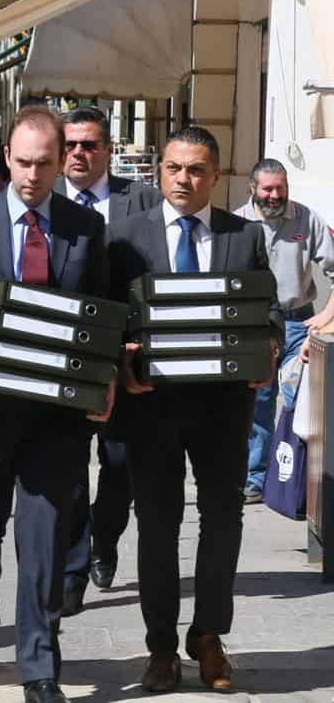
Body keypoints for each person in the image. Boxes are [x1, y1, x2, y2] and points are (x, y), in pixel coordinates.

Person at [0, 105, 113, 703]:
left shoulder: (85, 229)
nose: (33, 175)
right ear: (6, 158)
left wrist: (105, 377)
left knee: (44, 542)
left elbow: (99, 311)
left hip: (54, 417)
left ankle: (39, 664)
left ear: (61, 163)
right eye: (24, 162)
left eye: (45, 163)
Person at [109, 126, 283, 694]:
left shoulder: (243, 236)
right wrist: (122, 361)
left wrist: (268, 350)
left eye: (197, 170)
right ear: (160, 171)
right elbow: (109, 315)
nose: (184, 179)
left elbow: (269, 312)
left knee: (223, 521)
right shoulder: (124, 237)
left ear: (216, 175)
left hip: (223, 407)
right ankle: (160, 648)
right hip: (151, 407)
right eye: (174, 168)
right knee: (157, 526)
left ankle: (208, 637)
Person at [55, 106, 162, 615]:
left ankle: (105, 537)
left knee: (119, 464)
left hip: (126, 357)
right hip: (69, 358)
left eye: (89, 144)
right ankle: (73, 569)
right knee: (69, 466)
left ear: (107, 149)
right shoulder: (46, 200)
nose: (79, 153)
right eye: (71, 144)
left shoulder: (141, 199)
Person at [233, 158, 334, 502]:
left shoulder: (306, 219)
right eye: (267, 189)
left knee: (299, 400)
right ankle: (257, 478)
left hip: (297, 323)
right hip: (255, 325)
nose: (275, 195)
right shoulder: (236, 223)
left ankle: (300, 480)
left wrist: (326, 316)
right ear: (253, 188)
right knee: (259, 402)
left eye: (281, 188)